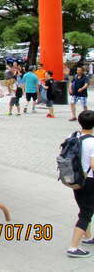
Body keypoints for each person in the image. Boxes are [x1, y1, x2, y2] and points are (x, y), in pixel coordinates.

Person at [64, 110, 94, 257]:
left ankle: (88, 237)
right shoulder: (92, 142)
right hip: (89, 180)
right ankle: (73, 247)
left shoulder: (72, 136)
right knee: (86, 213)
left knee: (84, 208)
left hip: (75, 179)